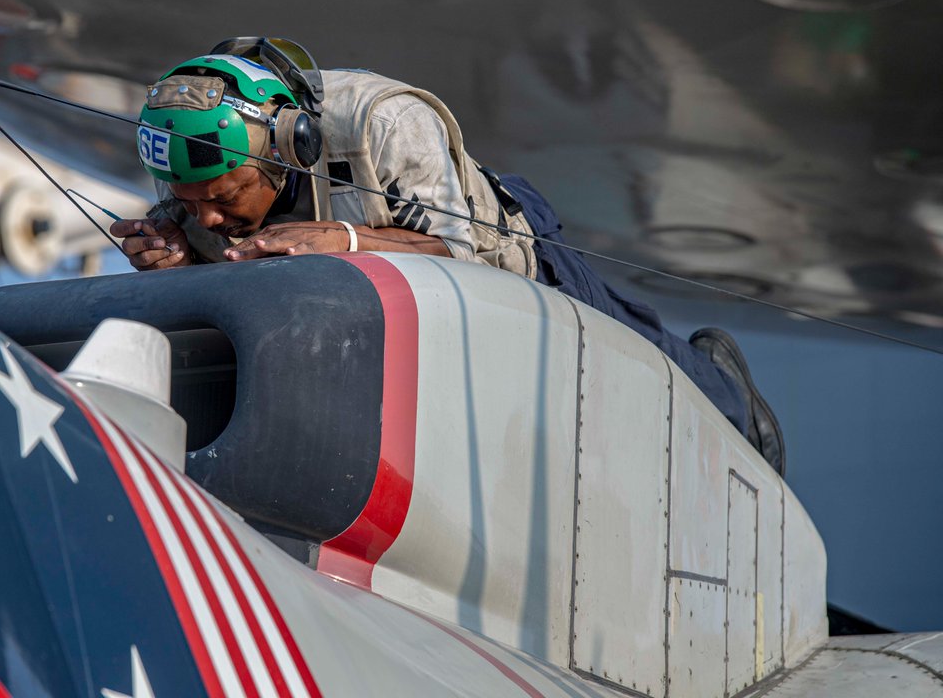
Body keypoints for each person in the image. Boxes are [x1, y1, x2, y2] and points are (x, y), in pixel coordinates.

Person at [110, 37, 786, 475]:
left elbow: (459, 250)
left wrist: (342, 242)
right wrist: (178, 260)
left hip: (507, 249)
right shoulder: (198, 178)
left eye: (225, 199)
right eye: (190, 202)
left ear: (288, 145)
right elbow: (208, 252)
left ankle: (730, 395)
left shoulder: (386, 120)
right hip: (384, 315)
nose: (209, 218)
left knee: (628, 346)